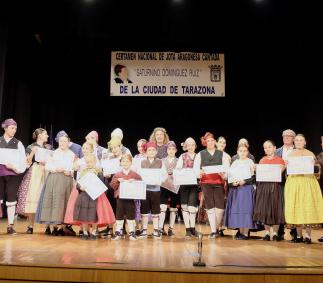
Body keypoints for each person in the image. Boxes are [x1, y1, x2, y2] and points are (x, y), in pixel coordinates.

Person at [284, 134, 323, 244]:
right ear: (294, 142)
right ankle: (299, 236)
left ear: (305, 142)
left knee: (307, 207)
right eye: (297, 140)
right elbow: (287, 173)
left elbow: (317, 172)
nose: (299, 142)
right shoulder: (290, 155)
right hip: (294, 183)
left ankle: (308, 236)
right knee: (296, 207)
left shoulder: (310, 154)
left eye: (301, 140)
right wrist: (287, 166)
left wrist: (314, 165)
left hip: (308, 183)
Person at [35, 134, 75, 236]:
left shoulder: (72, 154)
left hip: (66, 180)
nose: (62, 143)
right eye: (61, 141)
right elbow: (47, 166)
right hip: (54, 178)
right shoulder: (54, 153)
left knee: (64, 202)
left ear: (68, 142)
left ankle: (61, 227)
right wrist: (56, 168)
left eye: (65, 141)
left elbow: (75, 168)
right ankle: (52, 226)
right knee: (53, 202)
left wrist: (70, 172)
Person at [193, 132, 230, 239]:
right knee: (210, 207)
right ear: (205, 142)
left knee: (220, 208)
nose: (210, 142)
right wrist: (198, 173)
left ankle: (217, 227)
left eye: (212, 140)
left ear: (215, 142)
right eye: (208, 141)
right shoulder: (201, 154)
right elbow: (196, 168)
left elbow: (227, 168)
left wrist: (224, 175)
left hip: (218, 182)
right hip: (206, 183)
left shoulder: (221, 154)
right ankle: (214, 230)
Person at [70, 154, 115, 240]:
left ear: (95, 162)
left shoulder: (99, 172)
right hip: (84, 195)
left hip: (95, 196)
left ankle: (94, 232)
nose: (88, 163)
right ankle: (85, 232)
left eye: (90, 162)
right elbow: (78, 184)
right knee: (83, 214)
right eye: (87, 162)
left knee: (94, 214)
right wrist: (80, 187)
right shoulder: (83, 171)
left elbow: (102, 184)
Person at [16, 128, 52, 234]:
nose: (47, 136)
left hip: (46, 171)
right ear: (39, 135)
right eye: (45, 134)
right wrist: (32, 153)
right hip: (35, 171)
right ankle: (30, 226)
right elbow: (27, 162)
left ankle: (48, 226)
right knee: (33, 196)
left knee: (47, 197)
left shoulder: (48, 147)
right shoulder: (30, 147)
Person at [253, 140, 285, 241]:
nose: (267, 149)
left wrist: (283, 168)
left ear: (274, 148)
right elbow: (259, 175)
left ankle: (275, 233)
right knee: (265, 209)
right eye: (265, 147)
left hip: (275, 187)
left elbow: (280, 173)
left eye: (269, 147)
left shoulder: (280, 160)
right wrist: (255, 169)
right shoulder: (262, 160)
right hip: (264, 187)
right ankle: (267, 233)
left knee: (276, 209)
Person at [0, 118, 27, 234]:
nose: (14, 130)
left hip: (13, 174)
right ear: (5, 128)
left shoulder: (18, 143)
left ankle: (10, 225)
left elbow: (23, 161)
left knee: (11, 198)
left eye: (15, 128)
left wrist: (15, 167)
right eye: (12, 128)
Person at [224, 143, 256, 240]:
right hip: (236, 189)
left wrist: (244, 181)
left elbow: (253, 177)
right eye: (240, 151)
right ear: (237, 152)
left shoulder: (250, 162)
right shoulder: (235, 162)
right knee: (238, 210)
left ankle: (245, 233)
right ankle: (241, 232)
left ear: (247, 152)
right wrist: (232, 183)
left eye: (245, 151)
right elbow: (230, 177)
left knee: (246, 210)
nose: (242, 153)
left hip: (246, 189)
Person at [138, 141, 167, 239]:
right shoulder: (142, 162)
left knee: (155, 210)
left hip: (156, 190)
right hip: (144, 190)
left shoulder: (160, 162)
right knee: (144, 210)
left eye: (153, 150)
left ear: (156, 152)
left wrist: (160, 181)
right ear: (146, 151)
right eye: (149, 150)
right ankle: (144, 230)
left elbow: (165, 175)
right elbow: (139, 175)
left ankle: (155, 230)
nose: (151, 152)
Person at [109, 154, 142, 241]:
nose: (125, 163)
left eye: (127, 161)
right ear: (120, 163)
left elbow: (141, 184)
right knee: (119, 215)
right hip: (120, 198)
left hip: (130, 199)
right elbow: (112, 185)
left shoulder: (135, 175)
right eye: (123, 161)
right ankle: (118, 232)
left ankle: (132, 232)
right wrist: (117, 181)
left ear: (131, 163)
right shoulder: (117, 174)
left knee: (131, 215)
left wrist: (134, 181)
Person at [275, 129, 296, 240]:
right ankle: (280, 230)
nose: (286, 138)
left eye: (289, 136)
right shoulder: (277, 151)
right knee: (280, 205)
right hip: (280, 181)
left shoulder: (298, 151)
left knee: (292, 204)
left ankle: (294, 231)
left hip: (293, 181)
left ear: (293, 138)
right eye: (285, 136)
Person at [176, 137, 199, 238]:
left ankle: (193, 228)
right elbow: (178, 169)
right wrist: (181, 170)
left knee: (192, 208)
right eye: (188, 145)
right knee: (185, 207)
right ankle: (188, 229)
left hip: (194, 185)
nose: (190, 146)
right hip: (184, 184)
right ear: (186, 146)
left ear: (195, 146)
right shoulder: (182, 156)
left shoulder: (198, 156)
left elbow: (201, 169)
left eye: (192, 144)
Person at [159, 141, 180, 237]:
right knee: (162, 207)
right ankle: (160, 228)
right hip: (163, 186)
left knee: (173, 208)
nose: (171, 151)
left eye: (173, 149)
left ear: (176, 150)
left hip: (175, 186)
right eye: (169, 149)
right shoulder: (162, 160)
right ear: (166, 150)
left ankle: (171, 228)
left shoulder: (179, 160)